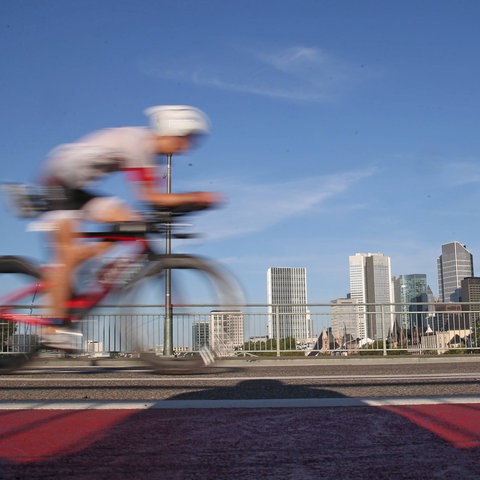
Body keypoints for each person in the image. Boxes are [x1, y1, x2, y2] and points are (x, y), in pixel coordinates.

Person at [37, 105, 221, 350]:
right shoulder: (138, 144)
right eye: (184, 140)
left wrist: (181, 207)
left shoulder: (146, 151)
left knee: (130, 222)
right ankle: (51, 326)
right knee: (67, 255)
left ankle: (83, 273)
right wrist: (197, 197)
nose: (186, 148)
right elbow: (152, 197)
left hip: (78, 189)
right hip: (58, 182)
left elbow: (151, 202)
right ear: (170, 132)